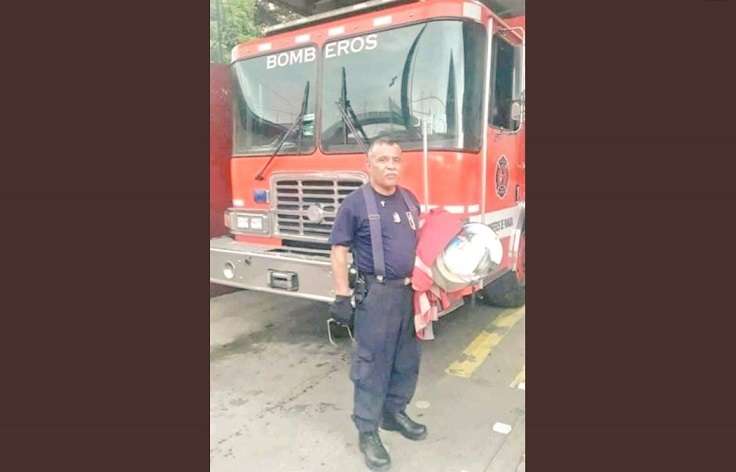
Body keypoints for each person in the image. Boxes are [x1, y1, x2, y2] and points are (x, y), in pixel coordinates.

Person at [328, 137, 426, 471]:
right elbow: (338, 250)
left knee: (406, 359)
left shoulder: (410, 200)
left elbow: (424, 243)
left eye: (396, 160)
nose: (390, 166)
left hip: (409, 295)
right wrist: (342, 296)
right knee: (372, 365)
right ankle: (368, 431)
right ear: (367, 165)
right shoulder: (355, 204)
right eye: (382, 160)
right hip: (377, 295)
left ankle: (394, 412)